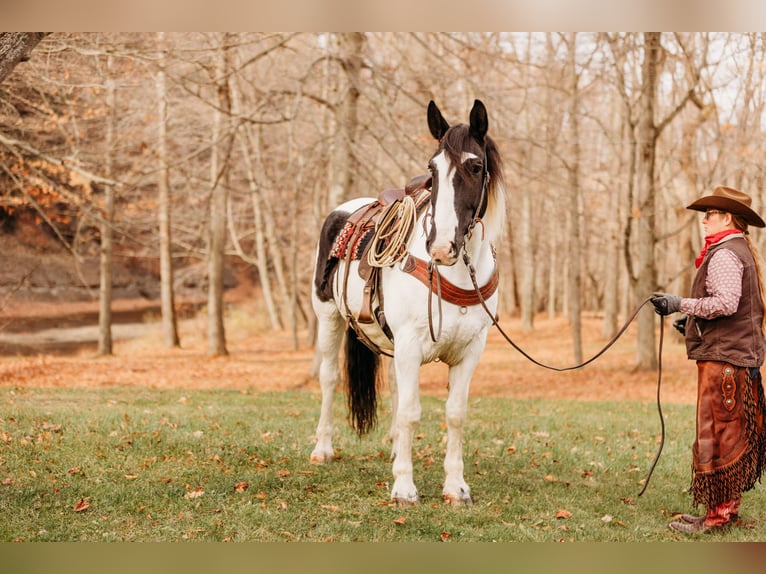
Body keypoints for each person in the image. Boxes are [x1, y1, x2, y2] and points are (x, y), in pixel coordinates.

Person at [651, 185, 766, 534]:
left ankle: (718, 518)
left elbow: (727, 303)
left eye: (710, 215)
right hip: (727, 357)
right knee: (722, 433)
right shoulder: (733, 249)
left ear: (727, 218)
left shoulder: (726, 254)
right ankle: (720, 511)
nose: (704, 221)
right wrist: (694, 320)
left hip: (726, 362)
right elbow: (728, 306)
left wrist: (680, 303)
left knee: (721, 435)